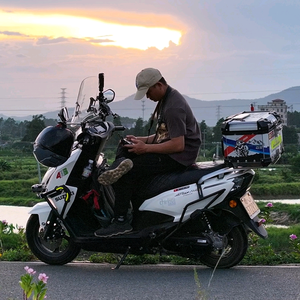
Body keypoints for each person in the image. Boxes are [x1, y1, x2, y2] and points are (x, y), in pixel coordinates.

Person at [94, 67, 201, 237]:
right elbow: (163, 135)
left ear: (158, 85)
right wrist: (140, 140)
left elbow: (178, 144)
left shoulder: (173, 107)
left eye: (148, 92)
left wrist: (146, 148)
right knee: (125, 146)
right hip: (172, 150)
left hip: (178, 157)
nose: (147, 96)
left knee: (126, 173)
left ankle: (121, 222)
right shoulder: (167, 99)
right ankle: (116, 169)